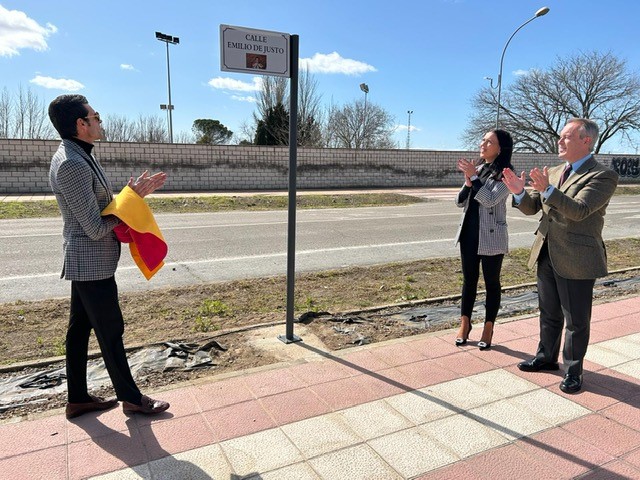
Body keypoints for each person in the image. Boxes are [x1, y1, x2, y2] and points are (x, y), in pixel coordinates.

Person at [48, 94, 171, 418]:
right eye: (96, 116)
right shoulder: (72, 163)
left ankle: (77, 399)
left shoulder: (80, 154)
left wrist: (129, 196)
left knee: (78, 330)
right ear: (81, 124)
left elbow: (98, 206)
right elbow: (92, 226)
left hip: (89, 262)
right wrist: (132, 202)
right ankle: (131, 398)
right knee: (110, 330)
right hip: (90, 263)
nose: (100, 121)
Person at [502, 118, 618, 394]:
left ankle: (574, 371)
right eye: (560, 136)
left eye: (566, 136)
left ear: (585, 140)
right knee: (549, 312)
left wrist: (547, 190)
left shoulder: (602, 175)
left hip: (578, 257)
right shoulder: (553, 172)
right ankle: (545, 358)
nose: (560, 141)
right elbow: (533, 208)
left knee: (576, 320)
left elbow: (579, 210)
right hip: (546, 251)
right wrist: (519, 192)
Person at [453, 129, 514, 350]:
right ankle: (464, 323)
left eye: (490, 142)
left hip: (491, 236)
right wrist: (468, 183)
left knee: (491, 282)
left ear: (500, 148)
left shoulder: (507, 174)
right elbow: (460, 202)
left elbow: (490, 200)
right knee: (468, 281)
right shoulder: (477, 169)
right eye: (483, 140)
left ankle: (488, 328)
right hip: (468, 234)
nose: (483, 144)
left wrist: (475, 178)